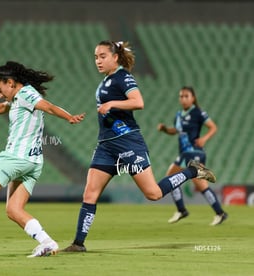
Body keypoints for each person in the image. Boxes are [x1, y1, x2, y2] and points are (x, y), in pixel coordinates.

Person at [62, 41, 216, 253]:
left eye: (103, 56)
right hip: (106, 146)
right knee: (90, 193)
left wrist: (112, 104)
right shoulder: (106, 80)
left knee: (153, 193)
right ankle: (78, 243)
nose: (98, 60)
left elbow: (138, 102)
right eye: (96, 57)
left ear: (115, 57)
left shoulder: (123, 77)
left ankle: (192, 170)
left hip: (128, 142)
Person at [0, 61, 85, 257]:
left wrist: (69, 117)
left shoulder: (25, 94)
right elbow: (3, 107)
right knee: (14, 209)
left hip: (15, 156)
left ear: (11, 82)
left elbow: (47, 106)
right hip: (33, 163)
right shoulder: (19, 98)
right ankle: (47, 242)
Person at [157, 86, 227, 226]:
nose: (183, 99)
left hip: (195, 152)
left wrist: (204, 139)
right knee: (187, 180)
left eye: (186, 96)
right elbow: (175, 131)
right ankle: (217, 213)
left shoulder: (197, 112)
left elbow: (213, 127)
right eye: (181, 96)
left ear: (193, 98)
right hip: (185, 153)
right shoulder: (178, 115)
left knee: (179, 178)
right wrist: (165, 129)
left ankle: (185, 210)